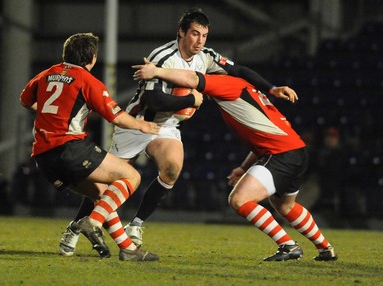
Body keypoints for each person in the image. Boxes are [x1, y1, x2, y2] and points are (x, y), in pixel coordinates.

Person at [59, 7, 281, 255]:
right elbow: (154, 101)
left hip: (167, 127)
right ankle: (74, 229)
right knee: (101, 184)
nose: (199, 41)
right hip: (138, 123)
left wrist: (271, 88)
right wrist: (192, 101)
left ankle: (136, 225)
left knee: (172, 169)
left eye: (204, 35)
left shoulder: (206, 57)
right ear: (181, 32)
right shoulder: (163, 56)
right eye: (195, 34)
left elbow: (238, 70)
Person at [132, 59, 338, 262]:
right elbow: (263, 138)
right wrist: (243, 168)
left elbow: (193, 79)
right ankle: (325, 248)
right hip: (295, 151)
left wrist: (157, 71)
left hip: (281, 154)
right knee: (286, 206)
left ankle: (288, 245)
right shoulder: (247, 91)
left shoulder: (228, 83)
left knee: (239, 200)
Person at [19, 32, 160, 261]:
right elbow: (115, 116)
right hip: (69, 149)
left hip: (44, 159)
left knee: (102, 195)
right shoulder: (86, 80)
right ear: (92, 57)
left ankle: (128, 250)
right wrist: (142, 126)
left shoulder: (46, 75)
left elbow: (25, 100)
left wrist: (50, 113)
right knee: (131, 177)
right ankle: (91, 222)